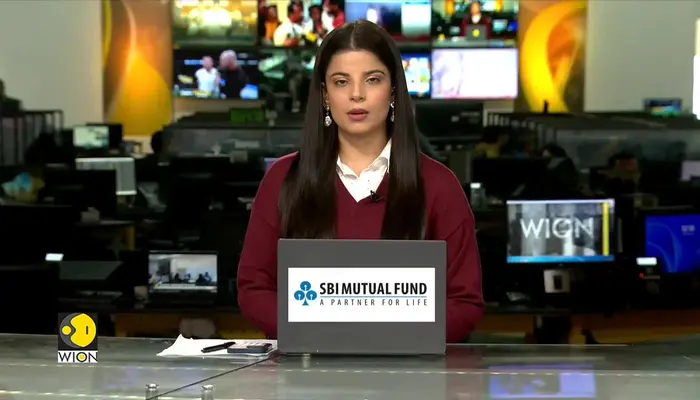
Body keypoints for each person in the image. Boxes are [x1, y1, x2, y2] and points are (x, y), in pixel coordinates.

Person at [237, 20, 484, 342]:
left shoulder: (439, 185)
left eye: (372, 80)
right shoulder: (283, 180)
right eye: (341, 82)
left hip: (408, 369)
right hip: (306, 366)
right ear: (325, 96)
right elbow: (254, 289)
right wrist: (322, 334)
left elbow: (464, 302)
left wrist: (378, 337)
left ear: (393, 91)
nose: (357, 94)